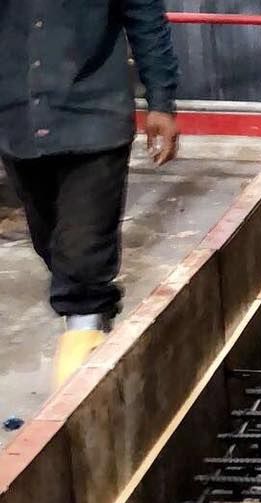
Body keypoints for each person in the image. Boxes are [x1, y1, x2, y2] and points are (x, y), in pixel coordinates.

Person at [0, 1, 181, 388]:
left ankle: (82, 376)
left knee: (83, 256)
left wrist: (161, 101)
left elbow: (145, 19)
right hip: (18, 123)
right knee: (53, 246)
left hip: (93, 119)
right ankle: (91, 327)